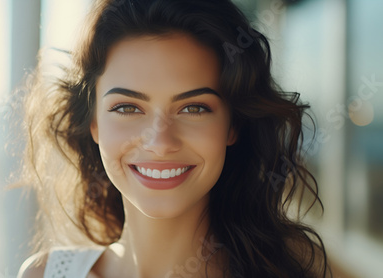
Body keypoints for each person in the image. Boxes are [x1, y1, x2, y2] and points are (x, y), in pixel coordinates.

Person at [16, 0, 331, 277]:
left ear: (232, 125)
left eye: (193, 108)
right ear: (94, 123)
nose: (160, 142)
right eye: (127, 108)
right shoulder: (43, 275)